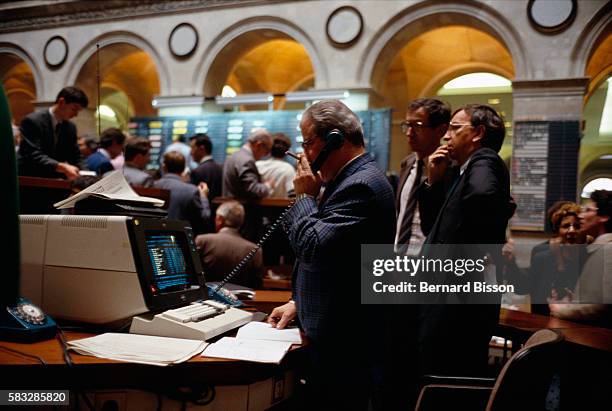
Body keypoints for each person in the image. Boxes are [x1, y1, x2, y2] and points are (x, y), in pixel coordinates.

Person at [267, 100, 396, 410]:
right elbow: (339, 261)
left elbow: (312, 248)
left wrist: (304, 198)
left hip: (344, 342)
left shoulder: (360, 186)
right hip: (331, 327)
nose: (303, 154)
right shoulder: (347, 180)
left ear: (335, 140)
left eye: (307, 143)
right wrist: (299, 302)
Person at [418, 103, 515, 376]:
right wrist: (433, 182)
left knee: (446, 376)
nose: (446, 135)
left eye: (455, 128)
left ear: (478, 133)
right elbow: (433, 227)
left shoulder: (484, 160)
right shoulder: (463, 171)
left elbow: (483, 199)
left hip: (456, 303)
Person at [395, 98, 450, 255]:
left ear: (441, 130)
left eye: (417, 126)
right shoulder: (407, 163)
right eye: (407, 125)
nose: (409, 133)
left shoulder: (450, 168)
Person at [549, 190, 612, 326]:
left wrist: (561, 310)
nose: (581, 216)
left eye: (587, 210)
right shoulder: (597, 248)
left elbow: (605, 305)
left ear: (604, 216)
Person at [18, 86, 88, 180]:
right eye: (74, 109)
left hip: (54, 179)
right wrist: (62, 166)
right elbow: (32, 154)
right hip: (30, 177)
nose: (76, 114)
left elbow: (75, 155)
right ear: (61, 102)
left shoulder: (71, 127)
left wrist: (87, 173)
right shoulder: (32, 121)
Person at [194, 201, 263, 288]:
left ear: (219, 220)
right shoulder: (255, 249)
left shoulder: (203, 241)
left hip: (208, 298)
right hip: (241, 299)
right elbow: (257, 284)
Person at [154, 151, 210, 235]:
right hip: (182, 239)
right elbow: (204, 217)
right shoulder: (191, 190)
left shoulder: (152, 186)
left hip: (154, 236)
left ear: (164, 167)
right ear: (184, 169)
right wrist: (204, 197)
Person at [222, 128, 273, 199]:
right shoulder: (247, 161)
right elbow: (253, 190)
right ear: (259, 145)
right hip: (241, 208)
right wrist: (267, 186)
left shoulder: (232, 156)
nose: (266, 155)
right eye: (267, 151)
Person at [256, 132, 296, 197]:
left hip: (256, 206)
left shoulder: (257, 165)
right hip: (281, 207)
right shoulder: (288, 169)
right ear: (287, 151)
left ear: (269, 148)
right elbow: (292, 194)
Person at [190, 133, 223, 201]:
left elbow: (194, 200)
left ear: (202, 148)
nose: (191, 152)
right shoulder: (220, 168)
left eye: (192, 148)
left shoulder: (197, 171)